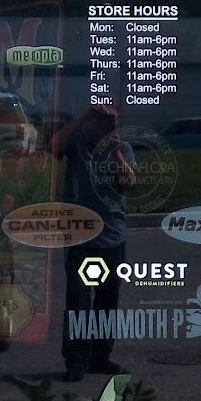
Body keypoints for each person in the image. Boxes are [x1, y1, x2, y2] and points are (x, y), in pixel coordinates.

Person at [52, 102, 136, 379]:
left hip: (112, 235)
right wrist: (84, 115)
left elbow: (129, 183)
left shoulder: (121, 148)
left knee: (107, 300)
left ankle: (101, 357)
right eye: (103, 121)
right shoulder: (78, 143)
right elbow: (55, 146)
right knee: (78, 300)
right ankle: (76, 360)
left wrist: (113, 147)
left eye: (112, 121)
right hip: (80, 235)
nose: (107, 125)